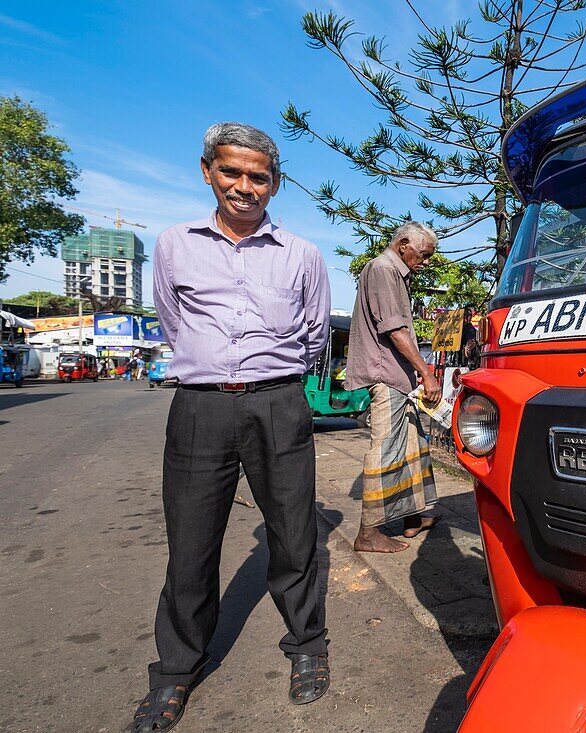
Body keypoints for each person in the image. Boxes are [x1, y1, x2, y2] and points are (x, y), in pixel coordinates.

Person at [132, 122, 332, 733]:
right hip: (200, 409)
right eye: (231, 172)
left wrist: (273, 382)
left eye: (258, 176)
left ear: (275, 185)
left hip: (279, 405)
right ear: (207, 172)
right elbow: (172, 320)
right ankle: (175, 671)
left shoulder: (302, 254)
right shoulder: (173, 244)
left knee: (295, 536)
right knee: (191, 544)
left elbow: (315, 336)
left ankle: (307, 645)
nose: (244, 186)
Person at [345, 222, 442, 553]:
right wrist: (427, 373)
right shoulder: (383, 269)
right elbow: (395, 330)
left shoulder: (394, 272)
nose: (426, 261)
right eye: (424, 255)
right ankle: (368, 532)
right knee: (385, 448)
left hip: (398, 377)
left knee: (412, 445)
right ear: (404, 245)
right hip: (386, 375)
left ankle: (412, 517)